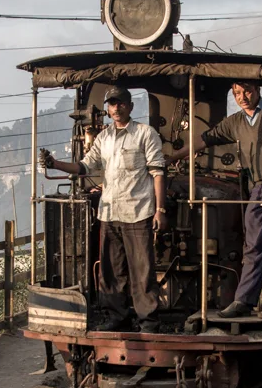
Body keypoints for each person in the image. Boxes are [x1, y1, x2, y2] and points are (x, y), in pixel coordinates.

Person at [168, 81, 262, 319]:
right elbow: (204, 139)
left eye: (246, 92)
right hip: (259, 185)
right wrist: (173, 157)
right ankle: (244, 300)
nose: (242, 97)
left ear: (257, 91)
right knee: (253, 244)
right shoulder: (234, 122)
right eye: (236, 93)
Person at [40, 86, 167, 332]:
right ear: (107, 109)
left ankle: (149, 321)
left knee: (142, 272)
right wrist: (55, 164)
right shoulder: (103, 138)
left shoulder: (145, 134)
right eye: (112, 104)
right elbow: (84, 167)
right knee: (111, 271)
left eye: (120, 103)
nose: (116, 108)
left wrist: (160, 210)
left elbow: (158, 173)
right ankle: (117, 317)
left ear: (130, 106)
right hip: (109, 214)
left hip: (138, 213)